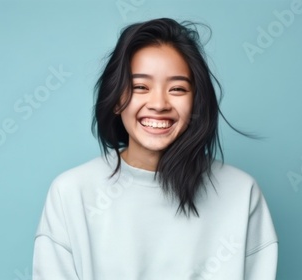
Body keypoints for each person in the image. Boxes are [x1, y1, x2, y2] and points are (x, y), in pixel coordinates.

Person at [33, 18, 278, 280]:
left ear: (196, 103)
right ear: (116, 100)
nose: (159, 103)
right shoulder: (71, 193)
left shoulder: (242, 193)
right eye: (140, 87)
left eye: (177, 88)